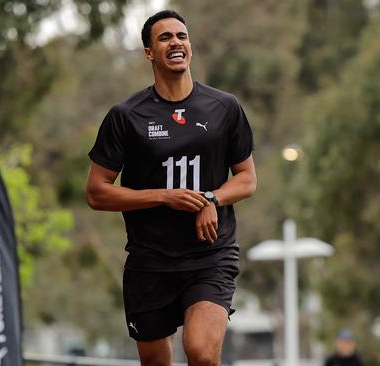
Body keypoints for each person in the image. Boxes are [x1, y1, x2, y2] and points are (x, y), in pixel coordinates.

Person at [85, 9, 257, 366]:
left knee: (202, 353)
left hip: (210, 255)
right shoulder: (126, 116)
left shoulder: (224, 107)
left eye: (182, 35)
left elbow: (247, 178)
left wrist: (212, 197)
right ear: (149, 52)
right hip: (150, 261)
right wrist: (164, 196)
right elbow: (97, 192)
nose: (176, 42)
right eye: (165, 38)